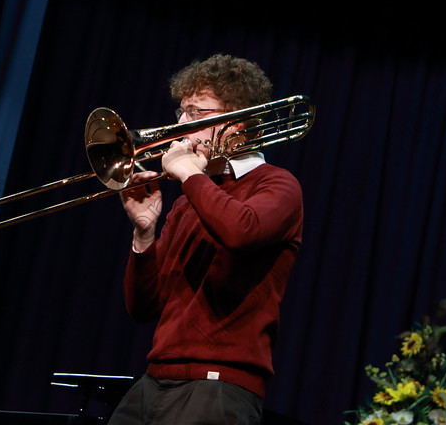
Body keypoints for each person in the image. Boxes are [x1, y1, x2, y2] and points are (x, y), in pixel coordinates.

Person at [107, 54, 304, 425]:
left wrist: (187, 174)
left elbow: (240, 231)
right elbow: (142, 307)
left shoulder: (277, 184)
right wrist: (144, 233)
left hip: (219, 384)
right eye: (181, 112)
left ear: (237, 126)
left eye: (196, 114)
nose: (178, 125)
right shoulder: (188, 202)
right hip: (155, 378)